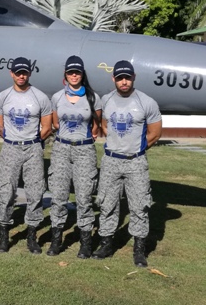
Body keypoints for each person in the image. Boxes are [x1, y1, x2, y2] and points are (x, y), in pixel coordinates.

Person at [93, 60, 162, 268]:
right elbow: (105, 126)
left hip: (135, 162)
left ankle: (139, 250)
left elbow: (155, 133)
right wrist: (118, 145)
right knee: (107, 203)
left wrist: (135, 149)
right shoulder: (106, 100)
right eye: (120, 78)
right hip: (111, 161)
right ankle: (106, 244)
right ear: (114, 79)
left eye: (128, 77)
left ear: (133, 78)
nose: (124, 81)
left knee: (140, 205)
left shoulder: (146, 102)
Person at [0, 57, 53, 254]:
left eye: (24, 72)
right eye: (17, 72)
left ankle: (32, 236)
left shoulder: (40, 97)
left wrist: (33, 140)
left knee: (35, 191)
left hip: (32, 149)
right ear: (11, 73)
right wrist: (12, 138)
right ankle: (4, 235)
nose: (21, 75)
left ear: (29, 73)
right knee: (6, 190)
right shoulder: (3, 96)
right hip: (10, 148)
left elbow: (47, 126)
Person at [48, 55, 102, 258]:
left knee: (84, 196)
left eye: (77, 72)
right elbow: (56, 123)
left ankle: (85, 242)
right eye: (70, 72)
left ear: (82, 74)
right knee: (59, 195)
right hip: (62, 148)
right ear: (65, 75)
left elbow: (96, 125)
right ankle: (56, 240)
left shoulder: (93, 97)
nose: (74, 75)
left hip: (84, 150)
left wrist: (87, 137)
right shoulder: (56, 97)